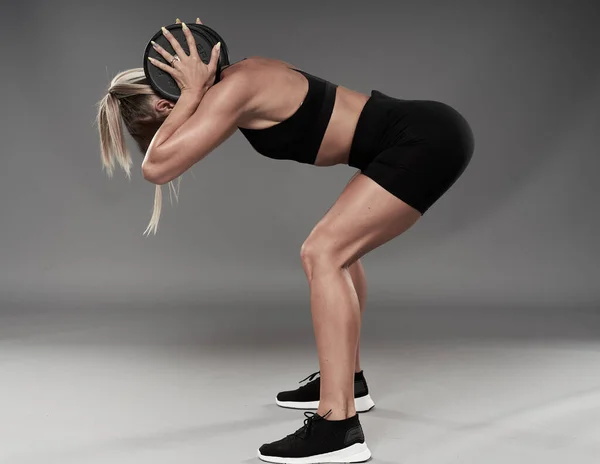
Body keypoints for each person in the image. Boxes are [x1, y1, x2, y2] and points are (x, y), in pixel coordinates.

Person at [96, 16, 474, 464]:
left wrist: (192, 94)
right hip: (416, 135)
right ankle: (348, 383)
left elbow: (156, 167)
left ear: (164, 106)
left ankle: (339, 428)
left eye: (164, 118)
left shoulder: (232, 90)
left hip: (423, 140)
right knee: (341, 251)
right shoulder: (239, 81)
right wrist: (194, 96)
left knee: (323, 252)